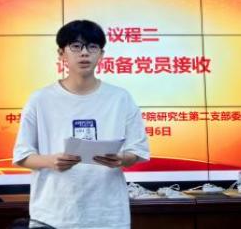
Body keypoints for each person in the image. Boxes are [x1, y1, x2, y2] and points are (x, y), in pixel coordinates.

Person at [13, 20, 150, 229]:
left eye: (92, 47)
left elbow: (138, 151)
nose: (84, 53)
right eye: (76, 46)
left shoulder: (120, 98)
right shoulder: (40, 100)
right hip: (52, 214)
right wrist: (51, 161)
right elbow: (22, 156)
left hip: (107, 215)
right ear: (61, 53)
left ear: (101, 54)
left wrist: (121, 158)